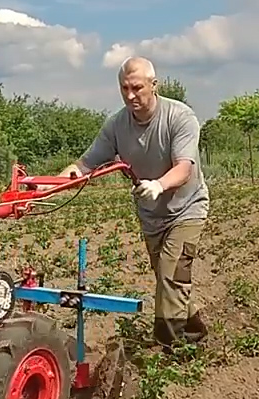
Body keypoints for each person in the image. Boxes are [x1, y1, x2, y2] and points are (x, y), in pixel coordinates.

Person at [56, 56, 210, 349]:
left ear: (154, 85)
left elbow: (184, 168)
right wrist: (54, 184)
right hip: (151, 215)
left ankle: (169, 349)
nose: (130, 95)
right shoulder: (116, 125)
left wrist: (158, 184)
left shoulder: (180, 117)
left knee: (170, 273)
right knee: (168, 279)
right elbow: (85, 164)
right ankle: (196, 331)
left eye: (137, 87)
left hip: (187, 208)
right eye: (124, 88)